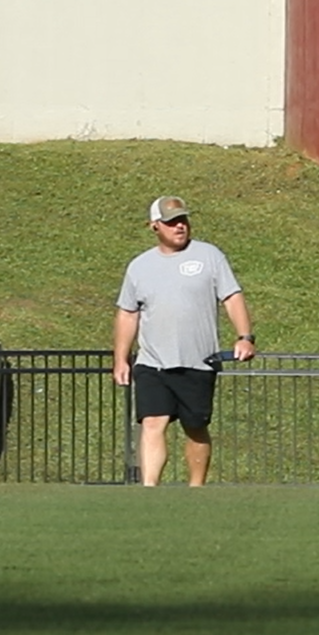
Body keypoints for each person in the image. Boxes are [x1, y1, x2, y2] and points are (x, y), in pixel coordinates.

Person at [113, 195, 255, 486]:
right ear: (155, 226)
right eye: (171, 222)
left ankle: (195, 489)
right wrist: (121, 358)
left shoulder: (209, 256)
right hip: (153, 362)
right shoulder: (139, 267)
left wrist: (245, 337)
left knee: (195, 427)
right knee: (152, 423)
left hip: (199, 362)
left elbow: (231, 297)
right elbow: (127, 314)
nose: (179, 226)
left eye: (183, 220)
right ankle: (149, 490)